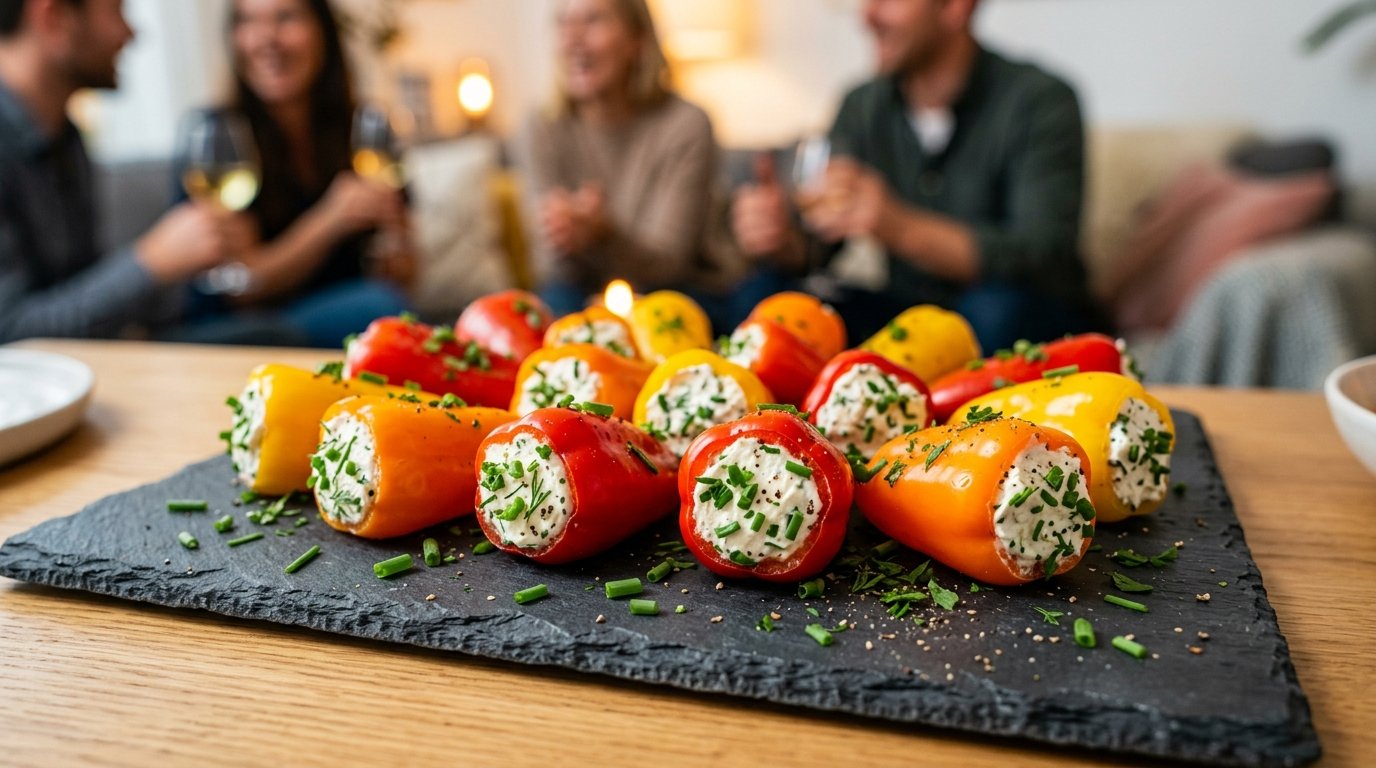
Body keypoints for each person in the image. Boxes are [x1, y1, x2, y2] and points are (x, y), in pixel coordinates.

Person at [733, 0, 1101, 349]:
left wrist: (899, 227)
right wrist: (782, 239)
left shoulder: (1040, 100)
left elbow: (1043, 255)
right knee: (769, 299)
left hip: (1016, 314)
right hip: (908, 316)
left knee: (996, 312)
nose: (868, 16)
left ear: (956, 7)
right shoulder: (862, 106)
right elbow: (819, 248)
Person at [0, 0, 249, 343]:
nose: (131, 33)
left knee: (274, 335)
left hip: (94, 363)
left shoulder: (66, 136)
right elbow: (10, 333)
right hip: (33, 385)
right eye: (116, 10)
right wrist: (151, 262)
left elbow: (81, 286)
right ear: (55, 18)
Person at [176, 0, 414, 348]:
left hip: (335, 310)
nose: (266, 39)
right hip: (240, 327)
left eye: (285, 18)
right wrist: (332, 219)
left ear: (324, 33)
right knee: (379, 307)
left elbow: (406, 275)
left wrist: (397, 240)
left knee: (388, 309)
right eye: (248, 21)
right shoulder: (214, 139)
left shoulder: (361, 130)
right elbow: (242, 288)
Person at [517, 0, 744, 323]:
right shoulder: (540, 126)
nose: (572, 39)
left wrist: (602, 235)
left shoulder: (686, 124)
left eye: (593, 20)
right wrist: (565, 236)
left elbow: (670, 264)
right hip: (580, 292)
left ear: (638, 39)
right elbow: (550, 266)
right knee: (551, 307)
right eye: (563, 23)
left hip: (677, 291)